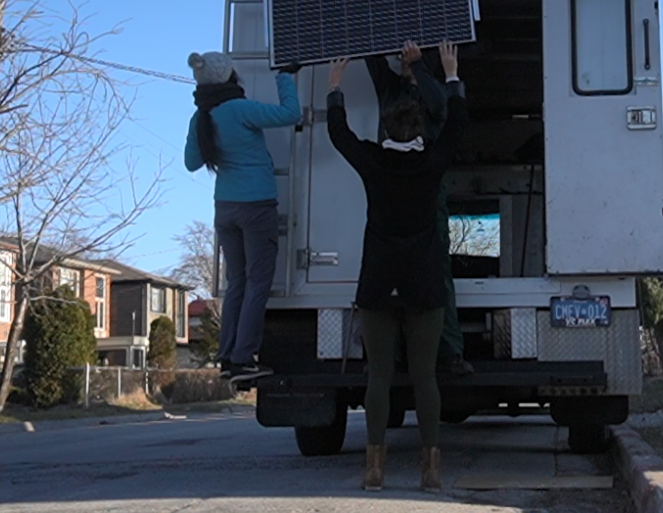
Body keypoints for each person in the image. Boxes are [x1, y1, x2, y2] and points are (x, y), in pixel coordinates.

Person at [327, 42, 468, 493]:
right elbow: (457, 121)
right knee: (425, 377)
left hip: (378, 286)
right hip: (424, 286)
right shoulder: (434, 164)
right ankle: (430, 470)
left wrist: (334, 88)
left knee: (379, 377)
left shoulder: (372, 163)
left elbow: (339, 134)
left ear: (385, 125)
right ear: (421, 130)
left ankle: (374, 469)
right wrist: (449, 73)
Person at [184, 51, 301, 383]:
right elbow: (290, 113)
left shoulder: (201, 118)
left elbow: (191, 162)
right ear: (229, 77)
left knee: (237, 283)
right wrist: (285, 77)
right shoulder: (241, 109)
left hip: (225, 209)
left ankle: (227, 356)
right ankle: (243, 357)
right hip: (256, 206)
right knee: (258, 282)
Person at [365, 44, 474, 377]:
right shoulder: (389, 89)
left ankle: (449, 352)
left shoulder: (435, 93)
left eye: (409, 59)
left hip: (427, 194)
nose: (403, 62)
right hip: (389, 192)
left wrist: (423, 68)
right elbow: (373, 59)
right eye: (400, 58)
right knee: (387, 274)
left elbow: (444, 107)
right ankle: (391, 352)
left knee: (436, 271)